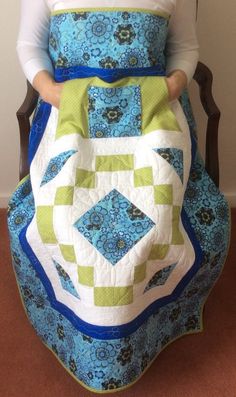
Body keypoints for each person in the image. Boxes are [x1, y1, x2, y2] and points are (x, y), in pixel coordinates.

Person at [8, 0, 230, 393]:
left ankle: (144, 329)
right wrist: (53, 92)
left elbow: (185, 48)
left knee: (161, 217)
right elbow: (29, 45)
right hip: (73, 120)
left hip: (153, 118)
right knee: (60, 220)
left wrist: (170, 87)